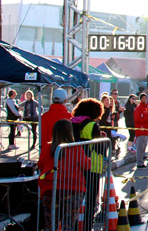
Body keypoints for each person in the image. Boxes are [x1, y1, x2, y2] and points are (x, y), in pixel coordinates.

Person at [38, 119, 91, 231]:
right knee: (69, 224)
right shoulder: (75, 147)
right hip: (73, 190)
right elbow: (86, 165)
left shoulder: (47, 148)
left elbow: (40, 165)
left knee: (51, 224)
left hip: (50, 189)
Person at [70, 98, 106, 231]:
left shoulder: (71, 123)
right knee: (90, 199)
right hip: (92, 166)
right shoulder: (92, 125)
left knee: (74, 201)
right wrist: (103, 140)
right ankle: (87, 226)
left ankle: (73, 226)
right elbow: (99, 148)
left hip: (74, 165)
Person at [40, 89, 72, 156]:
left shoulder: (43, 117)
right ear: (65, 100)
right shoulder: (70, 117)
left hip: (45, 154)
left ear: (52, 99)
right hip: (66, 156)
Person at [134, 93, 148, 168]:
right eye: (143, 98)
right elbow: (137, 120)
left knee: (144, 146)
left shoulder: (147, 108)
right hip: (141, 131)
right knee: (140, 147)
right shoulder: (138, 108)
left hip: (146, 130)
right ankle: (139, 162)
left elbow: (147, 119)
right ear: (140, 99)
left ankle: (141, 161)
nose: (144, 99)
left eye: (145, 98)